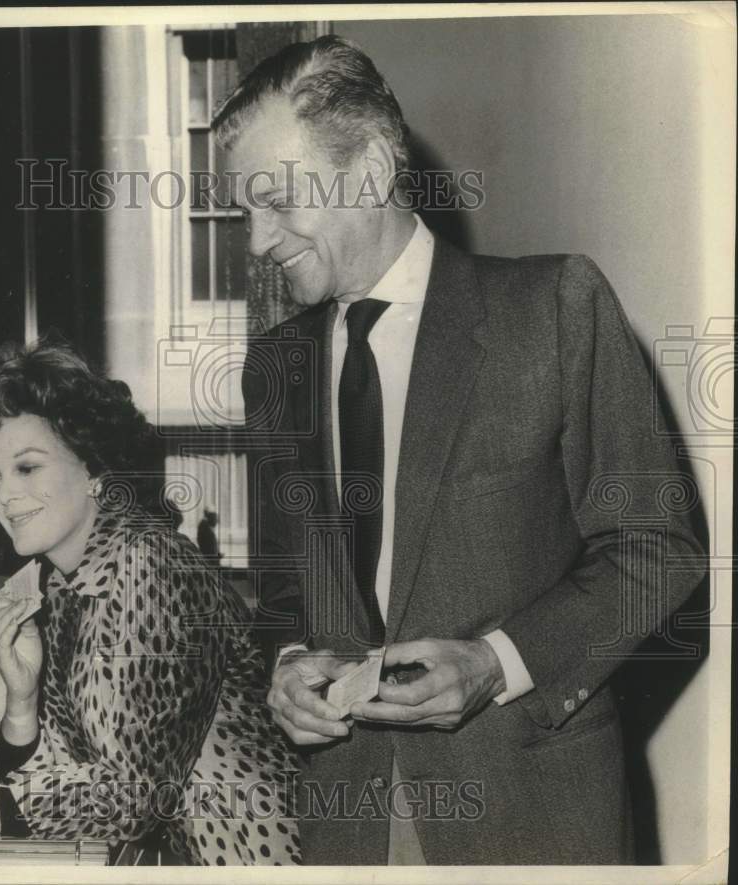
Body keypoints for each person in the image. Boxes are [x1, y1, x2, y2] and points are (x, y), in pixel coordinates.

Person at [212, 35, 706, 865]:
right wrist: (290, 663)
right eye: (243, 212)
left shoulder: (553, 309)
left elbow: (658, 550)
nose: (258, 241)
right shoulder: (275, 367)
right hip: (349, 822)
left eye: (276, 201)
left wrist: (495, 661)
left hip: (530, 816)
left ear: (369, 169)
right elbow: (285, 587)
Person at [0, 342, 301, 865]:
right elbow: (45, 790)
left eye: (27, 468)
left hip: (243, 859)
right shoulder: (64, 578)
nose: (4, 496)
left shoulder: (150, 570)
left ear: (95, 469)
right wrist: (22, 699)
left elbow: (130, 800)